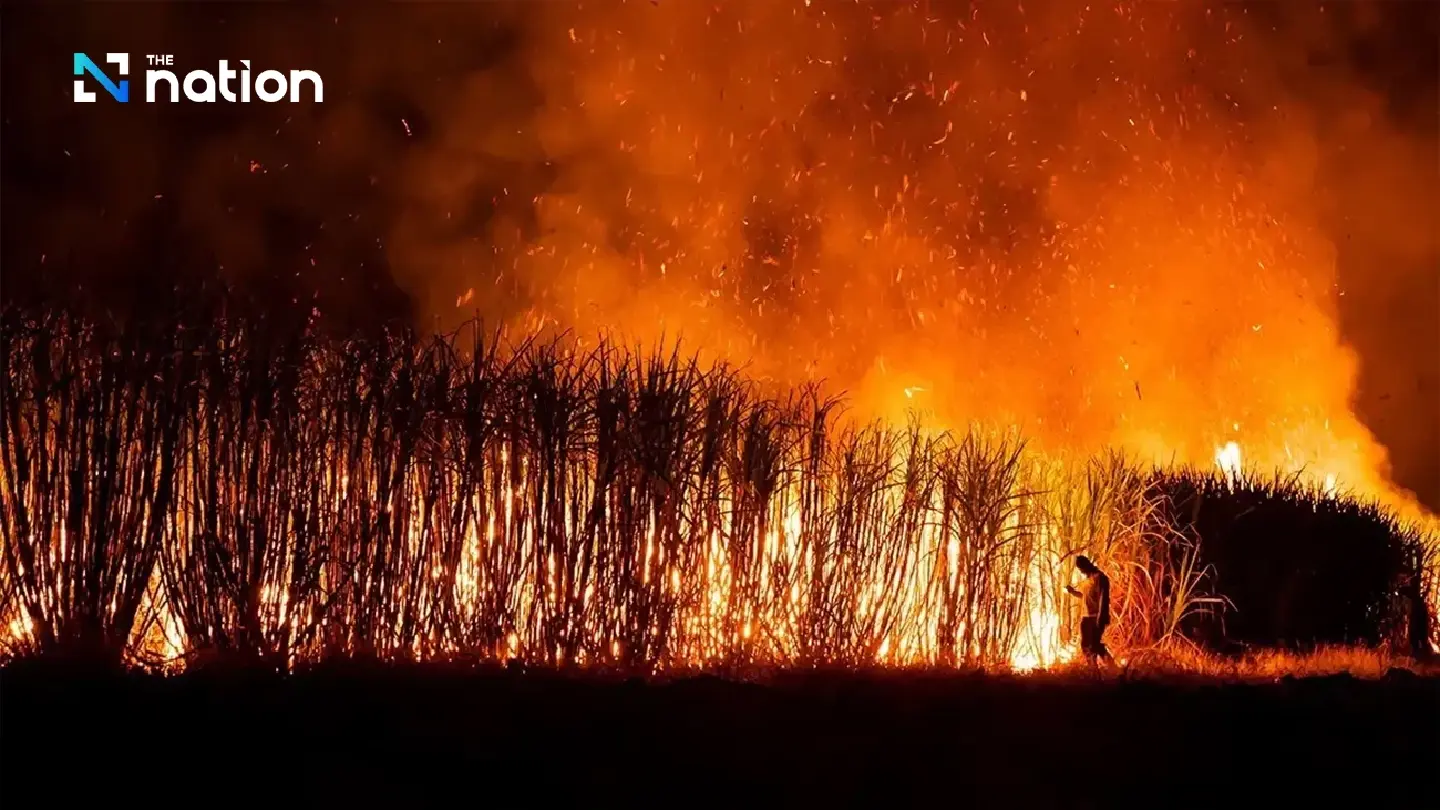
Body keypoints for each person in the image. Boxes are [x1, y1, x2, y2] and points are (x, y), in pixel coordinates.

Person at [1065, 555, 1111, 664]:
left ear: (1087, 564)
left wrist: (1100, 617)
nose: (1081, 571)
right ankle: (1093, 667)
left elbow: (1103, 598)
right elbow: (1085, 597)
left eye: (1081, 568)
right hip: (1086, 617)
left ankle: (1111, 666)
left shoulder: (1100, 578)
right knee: (1086, 645)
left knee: (1094, 645)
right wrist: (1072, 592)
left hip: (1096, 616)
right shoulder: (1087, 580)